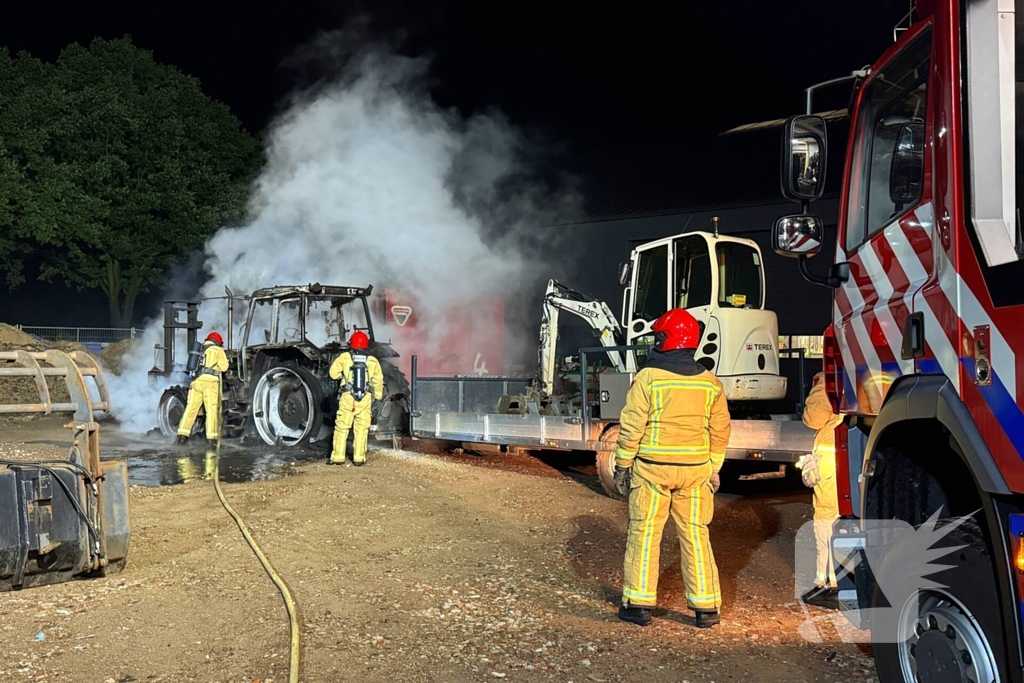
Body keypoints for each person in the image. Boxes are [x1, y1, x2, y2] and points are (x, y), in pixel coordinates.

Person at [613, 308, 731, 628]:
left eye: (657, 337)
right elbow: (720, 431)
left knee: (645, 533)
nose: (654, 343)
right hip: (695, 473)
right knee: (695, 535)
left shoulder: (649, 378)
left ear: (667, 340)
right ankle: (706, 608)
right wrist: (714, 468)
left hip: (653, 471)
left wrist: (622, 465)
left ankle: (638, 604)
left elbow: (632, 426)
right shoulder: (710, 383)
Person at [797, 368, 844, 609]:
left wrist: (816, 387)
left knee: (826, 525)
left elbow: (813, 418)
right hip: (854, 458)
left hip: (831, 465)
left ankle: (829, 585)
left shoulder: (830, 378)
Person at [329, 330, 384, 466]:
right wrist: (378, 396)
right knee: (362, 428)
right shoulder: (373, 361)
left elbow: (332, 374)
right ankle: (359, 458)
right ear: (366, 345)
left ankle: (337, 457)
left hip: (347, 397)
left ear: (351, 344)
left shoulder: (344, 357)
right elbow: (378, 381)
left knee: (342, 427)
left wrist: (343, 376)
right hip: (365, 398)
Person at [176, 332, 229, 445]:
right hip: (210, 383)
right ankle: (211, 439)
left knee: (191, 409)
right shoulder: (217, 350)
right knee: (211, 410)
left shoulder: (200, 349)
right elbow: (224, 368)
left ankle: (182, 436)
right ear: (218, 342)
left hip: (196, 382)